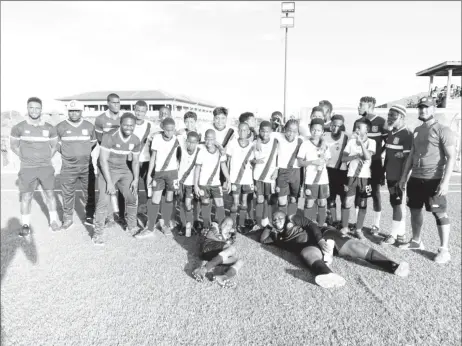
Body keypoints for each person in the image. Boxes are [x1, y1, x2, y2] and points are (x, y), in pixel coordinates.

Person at [261, 211, 409, 288]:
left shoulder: (293, 218)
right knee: (306, 255)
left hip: (323, 235)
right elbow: (263, 240)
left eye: (279, 217)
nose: (277, 221)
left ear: (285, 217)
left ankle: (393, 266)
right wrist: (268, 226)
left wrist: (320, 240)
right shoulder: (276, 236)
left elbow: (311, 225)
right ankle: (328, 275)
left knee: (356, 247)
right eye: (274, 220)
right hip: (309, 246)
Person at [398, 96, 456, 264]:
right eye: (421, 107)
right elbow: (411, 155)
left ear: (433, 110)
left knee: (439, 213)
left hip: (434, 179)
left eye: (427, 107)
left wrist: (445, 183)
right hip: (415, 178)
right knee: (415, 210)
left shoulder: (443, 130)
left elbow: (451, 157)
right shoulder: (416, 130)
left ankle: (444, 250)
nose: (423, 110)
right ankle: (416, 241)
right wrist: (404, 177)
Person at [10, 97, 60, 235]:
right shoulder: (18, 127)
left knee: (50, 194)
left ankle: (53, 221)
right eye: (31, 107)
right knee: (26, 196)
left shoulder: (50, 128)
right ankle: (25, 225)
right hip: (27, 168)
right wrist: (25, 156)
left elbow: (55, 146)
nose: (34, 110)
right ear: (27, 108)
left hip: (45, 167)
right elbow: (13, 146)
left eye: (37, 108)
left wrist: (46, 157)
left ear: (41, 109)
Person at [92, 112, 141, 245]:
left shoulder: (136, 140)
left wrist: (136, 179)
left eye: (131, 125)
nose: (128, 128)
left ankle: (132, 226)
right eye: (126, 125)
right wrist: (109, 183)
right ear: (121, 124)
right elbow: (103, 160)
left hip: (124, 169)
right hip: (107, 169)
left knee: (132, 197)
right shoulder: (109, 136)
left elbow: (136, 162)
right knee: (103, 201)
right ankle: (98, 233)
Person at [56, 100, 97, 231]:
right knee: (67, 193)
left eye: (77, 111)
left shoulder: (89, 126)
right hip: (68, 167)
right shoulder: (60, 126)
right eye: (71, 111)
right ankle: (68, 218)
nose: (74, 113)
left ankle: (90, 215)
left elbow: (93, 142)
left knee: (89, 192)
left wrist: (82, 152)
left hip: (86, 166)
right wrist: (67, 153)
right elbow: (54, 143)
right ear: (68, 112)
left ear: (81, 112)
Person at [353, 96, 387, 235]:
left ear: (370, 106)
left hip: (375, 164)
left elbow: (387, 142)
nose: (358, 107)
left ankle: (376, 225)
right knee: (358, 192)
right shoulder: (357, 122)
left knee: (375, 193)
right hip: (360, 162)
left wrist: (377, 153)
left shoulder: (381, 122)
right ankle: (357, 224)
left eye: (361, 105)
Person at [91, 93, 124, 228]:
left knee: (122, 189)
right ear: (108, 104)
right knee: (106, 189)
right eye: (113, 102)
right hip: (106, 158)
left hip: (121, 159)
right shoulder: (100, 119)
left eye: (118, 102)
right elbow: (100, 139)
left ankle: (122, 215)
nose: (116, 105)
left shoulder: (124, 118)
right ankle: (109, 217)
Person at [381, 105, 413, 245]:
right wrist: (383, 172)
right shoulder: (391, 133)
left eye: (393, 115)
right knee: (396, 204)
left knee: (398, 204)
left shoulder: (407, 134)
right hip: (390, 175)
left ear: (402, 117)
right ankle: (401, 234)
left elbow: (408, 159)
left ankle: (393, 235)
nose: (389, 118)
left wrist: (403, 178)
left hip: (399, 177)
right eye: (389, 115)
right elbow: (388, 156)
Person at [340, 118, 376, 239]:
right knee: (347, 202)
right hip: (351, 176)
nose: (356, 129)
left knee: (362, 203)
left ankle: (358, 229)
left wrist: (361, 143)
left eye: (359, 127)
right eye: (356, 127)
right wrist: (355, 155)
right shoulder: (351, 142)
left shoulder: (371, 142)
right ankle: (345, 226)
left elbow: (367, 157)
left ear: (367, 130)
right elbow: (343, 159)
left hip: (365, 177)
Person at [144, 118, 180, 236]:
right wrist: (150, 174)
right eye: (167, 130)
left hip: (172, 173)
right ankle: (150, 228)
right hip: (159, 173)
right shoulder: (157, 138)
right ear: (163, 128)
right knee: (155, 198)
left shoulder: (177, 139)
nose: (170, 132)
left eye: (172, 130)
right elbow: (153, 157)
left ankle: (165, 224)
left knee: (169, 199)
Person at [192, 217, 243, 288]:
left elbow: (225, 247)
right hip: (207, 247)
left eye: (230, 225)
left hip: (214, 254)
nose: (228, 227)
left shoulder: (228, 235)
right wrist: (223, 237)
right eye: (227, 224)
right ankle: (203, 270)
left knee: (239, 261)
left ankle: (223, 278)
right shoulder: (215, 227)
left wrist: (227, 238)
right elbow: (210, 235)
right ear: (223, 223)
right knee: (232, 249)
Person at [194, 129, 231, 228]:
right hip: (203, 183)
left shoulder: (220, 152)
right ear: (204, 139)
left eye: (211, 139)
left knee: (220, 204)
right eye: (207, 139)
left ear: (215, 139)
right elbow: (197, 169)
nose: (208, 142)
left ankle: (221, 227)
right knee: (205, 204)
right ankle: (206, 227)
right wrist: (196, 185)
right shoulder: (201, 151)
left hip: (216, 183)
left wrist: (228, 179)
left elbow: (223, 166)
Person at [297, 118, 331, 225]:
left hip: (323, 179)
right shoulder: (305, 144)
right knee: (309, 202)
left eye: (318, 130)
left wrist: (325, 160)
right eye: (313, 130)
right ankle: (308, 225)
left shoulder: (325, 145)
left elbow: (328, 160)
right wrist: (313, 162)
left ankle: (321, 225)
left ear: (322, 132)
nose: (315, 132)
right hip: (310, 179)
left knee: (322, 201)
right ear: (310, 130)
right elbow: (300, 162)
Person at [226, 122, 255, 231]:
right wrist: (227, 179)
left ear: (248, 131)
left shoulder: (252, 145)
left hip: (247, 178)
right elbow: (228, 161)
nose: (242, 132)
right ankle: (232, 225)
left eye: (245, 130)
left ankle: (241, 223)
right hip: (235, 178)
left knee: (244, 202)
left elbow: (252, 162)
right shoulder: (232, 143)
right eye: (240, 130)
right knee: (235, 202)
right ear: (238, 131)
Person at [273, 119, 304, 216]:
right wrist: (258, 141)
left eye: (294, 131)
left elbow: (317, 137)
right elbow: (263, 133)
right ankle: (282, 222)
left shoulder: (301, 139)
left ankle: (291, 220)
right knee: (281, 199)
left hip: (295, 172)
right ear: (284, 129)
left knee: (293, 198)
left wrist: (323, 142)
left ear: (297, 132)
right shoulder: (278, 136)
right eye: (289, 130)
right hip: (282, 171)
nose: (291, 133)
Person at [252, 121, 278, 229]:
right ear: (259, 131)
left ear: (271, 131)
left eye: (268, 131)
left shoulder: (276, 142)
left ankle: (265, 219)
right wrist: (254, 161)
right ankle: (258, 222)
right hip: (258, 175)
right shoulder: (254, 143)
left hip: (270, 175)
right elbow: (250, 159)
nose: (265, 134)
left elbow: (278, 158)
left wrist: (276, 170)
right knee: (259, 199)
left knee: (268, 198)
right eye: (262, 131)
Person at [324, 114, 349, 227]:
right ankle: (333, 222)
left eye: (338, 126)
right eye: (333, 125)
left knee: (344, 199)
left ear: (342, 126)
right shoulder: (325, 136)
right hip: (329, 171)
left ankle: (344, 224)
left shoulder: (346, 137)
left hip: (342, 172)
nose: (335, 128)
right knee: (331, 199)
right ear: (330, 125)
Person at [175, 131, 202, 237]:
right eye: (189, 142)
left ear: (198, 142)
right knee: (181, 203)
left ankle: (190, 224)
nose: (191, 144)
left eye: (194, 142)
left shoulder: (200, 150)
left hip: (192, 183)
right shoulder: (181, 148)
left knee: (188, 203)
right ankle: (183, 224)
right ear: (186, 141)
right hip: (181, 182)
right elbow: (177, 133)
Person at [131, 100, 154, 221]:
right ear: (134, 110)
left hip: (146, 160)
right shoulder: (129, 123)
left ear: (146, 112)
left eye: (142, 111)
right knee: (133, 186)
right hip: (132, 160)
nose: (139, 113)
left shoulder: (150, 125)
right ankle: (132, 213)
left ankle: (150, 214)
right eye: (138, 110)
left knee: (148, 187)